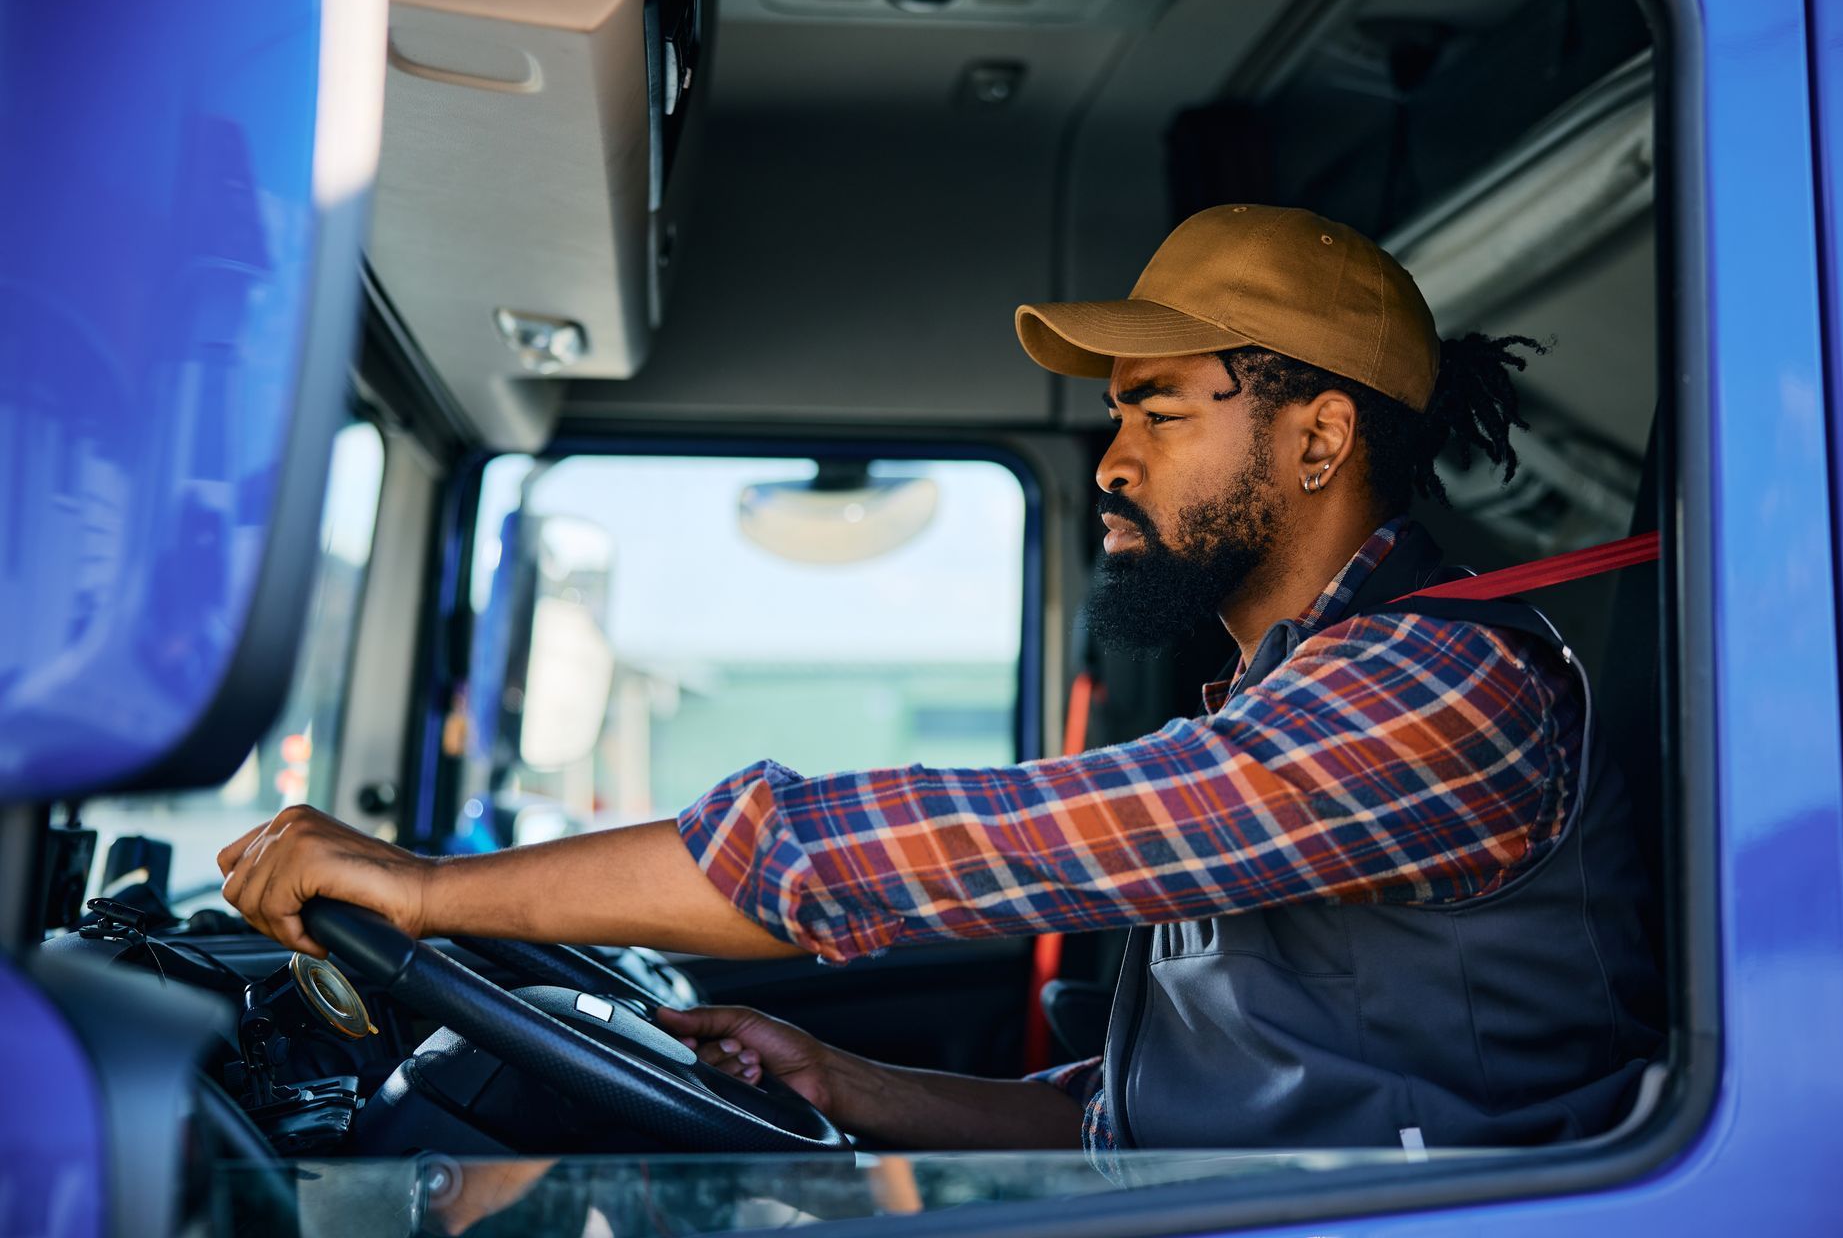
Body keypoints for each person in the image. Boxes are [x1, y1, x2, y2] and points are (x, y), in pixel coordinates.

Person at [217, 205, 1661, 1156]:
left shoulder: (1440, 695)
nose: (1111, 459)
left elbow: (976, 846)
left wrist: (421, 892)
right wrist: (850, 1085)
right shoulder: (1269, 703)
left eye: (1158, 406)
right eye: (1114, 417)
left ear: (1320, 440)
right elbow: (1136, 1122)